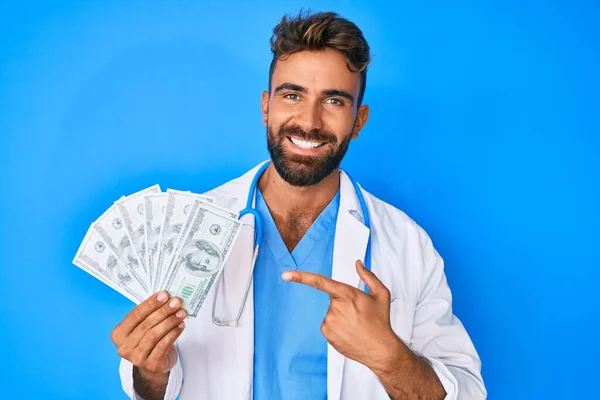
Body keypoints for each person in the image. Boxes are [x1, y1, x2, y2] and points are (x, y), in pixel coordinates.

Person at [111, 10, 487, 400]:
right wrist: (149, 370)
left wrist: (388, 356)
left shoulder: (407, 244)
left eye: (334, 101)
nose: (309, 121)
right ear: (265, 107)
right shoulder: (189, 227)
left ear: (358, 121)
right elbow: (154, 386)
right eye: (292, 95)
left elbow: (469, 393)